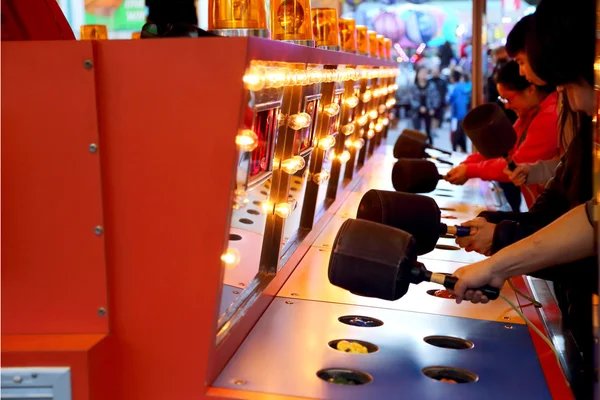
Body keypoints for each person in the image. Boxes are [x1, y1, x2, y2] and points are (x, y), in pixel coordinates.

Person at [453, 1, 597, 397]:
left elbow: (590, 222)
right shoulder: (584, 121)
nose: (576, 102)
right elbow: (571, 202)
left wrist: (503, 245)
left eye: (568, 87)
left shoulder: (568, 112)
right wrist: (502, 231)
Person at [445, 61, 559, 210]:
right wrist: (466, 165)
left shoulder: (550, 115)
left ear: (530, 89)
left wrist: (470, 170)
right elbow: (504, 148)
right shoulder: (530, 114)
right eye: (502, 100)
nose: (506, 106)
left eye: (508, 99)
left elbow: (516, 164)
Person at [409, 66, 441, 144]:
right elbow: (411, 99)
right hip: (417, 111)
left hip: (429, 110)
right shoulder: (414, 86)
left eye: (425, 73)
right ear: (417, 74)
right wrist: (419, 107)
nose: (424, 75)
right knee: (416, 130)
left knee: (428, 130)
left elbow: (436, 97)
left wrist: (433, 108)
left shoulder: (431, 85)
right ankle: (416, 145)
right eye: (422, 73)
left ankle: (430, 145)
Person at [447, 69, 470, 152]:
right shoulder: (464, 87)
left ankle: (455, 152)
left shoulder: (455, 88)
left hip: (457, 116)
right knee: (462, 136)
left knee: (455, 136)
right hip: (463, 114)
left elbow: (452, 101)